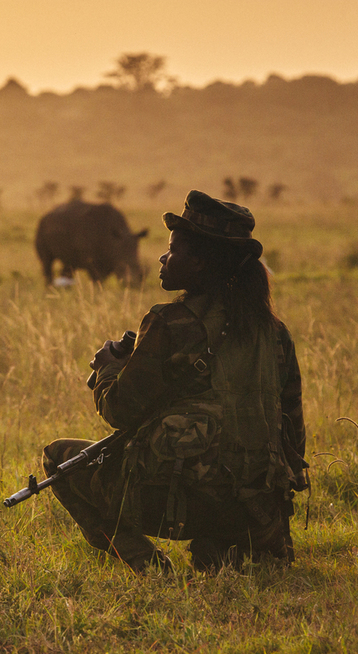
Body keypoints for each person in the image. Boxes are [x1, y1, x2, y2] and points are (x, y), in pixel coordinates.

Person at [43, 190, 309, 573]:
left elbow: (119, 411)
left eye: (173, 249)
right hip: (257, 508)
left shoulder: (169, 322)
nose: (163, 258)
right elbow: (292, 433)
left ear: (200, 263)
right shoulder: (275, 332)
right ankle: (228, 545)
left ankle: (147, 564)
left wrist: (107, 368)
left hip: (183, 501)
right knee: (219, 536)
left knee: (57, 458)